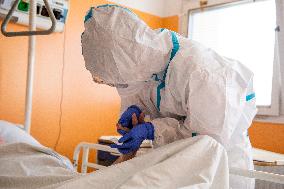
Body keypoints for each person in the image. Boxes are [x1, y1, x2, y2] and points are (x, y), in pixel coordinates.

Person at [81, 4, 257, 189]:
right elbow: (134, 92)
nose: (121, 86)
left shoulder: (204, 73)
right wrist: (134, 111)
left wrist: (152, 130)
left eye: (119, 80)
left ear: (132, 58)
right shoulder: (139, 67)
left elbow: (205, 143)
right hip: (174, 165)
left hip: (222, 168)